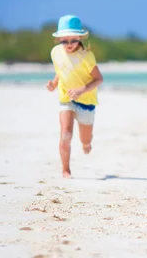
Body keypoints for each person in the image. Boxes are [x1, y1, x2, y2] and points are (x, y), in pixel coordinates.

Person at [46, 15, 104, 178]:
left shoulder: (86, 56)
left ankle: (87, 143)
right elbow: (61, 70)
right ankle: (66, 170)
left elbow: (99, 79)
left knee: (85, 140)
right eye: (65, 41)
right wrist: (54, 84)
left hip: (86, 101)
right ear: (59, 40)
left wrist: (81, 90)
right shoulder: (56, 53)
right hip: (66, 99)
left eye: (73, 40)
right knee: (65, 134)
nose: (69, 44)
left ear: (79, 38)